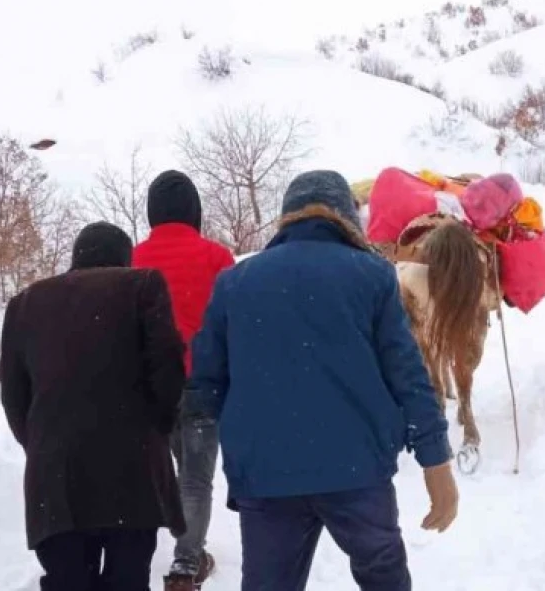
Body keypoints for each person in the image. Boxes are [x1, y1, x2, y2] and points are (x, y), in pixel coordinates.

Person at [189, 169, 460, 591]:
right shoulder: (371, 275)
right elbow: (408, 376)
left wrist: (254, 425)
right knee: (383, 575)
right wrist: (435, 460)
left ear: (287, 217)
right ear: (347, 218)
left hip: (266, 475)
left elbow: (205, 385)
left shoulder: (235, 283)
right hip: (357, 471)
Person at [0, 221, 187, 591]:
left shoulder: (25, 304)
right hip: (131, 472)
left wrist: (44, 444)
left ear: (75, 258)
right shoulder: (143, 285)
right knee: (127, 580)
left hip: (55, 480)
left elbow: (13, 395)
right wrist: (156, 429)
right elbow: (168, 370)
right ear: (123, 258)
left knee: (67, 581)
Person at [131, 169, 235, 591]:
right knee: (195, 476)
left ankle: (179, 549)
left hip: (151, 386)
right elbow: (235, 322)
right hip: (203, 383)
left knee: (172, 470)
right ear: (195, 211)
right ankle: (186, 564)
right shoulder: (216, 257)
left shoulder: (133, 259)